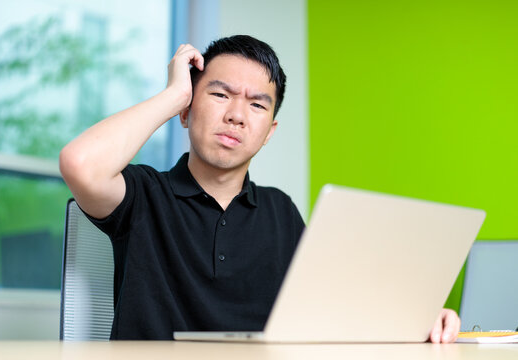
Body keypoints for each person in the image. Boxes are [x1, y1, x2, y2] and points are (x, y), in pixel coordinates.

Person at [59, 35, 460, 342]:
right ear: (186, 111)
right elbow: (80, 164)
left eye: (256, 104)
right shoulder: (145, 195)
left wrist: (419, 317)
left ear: (269, 131)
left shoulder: (280, 211)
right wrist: (174, 94)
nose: (235, 115)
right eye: (218, 95)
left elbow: (331, 309)